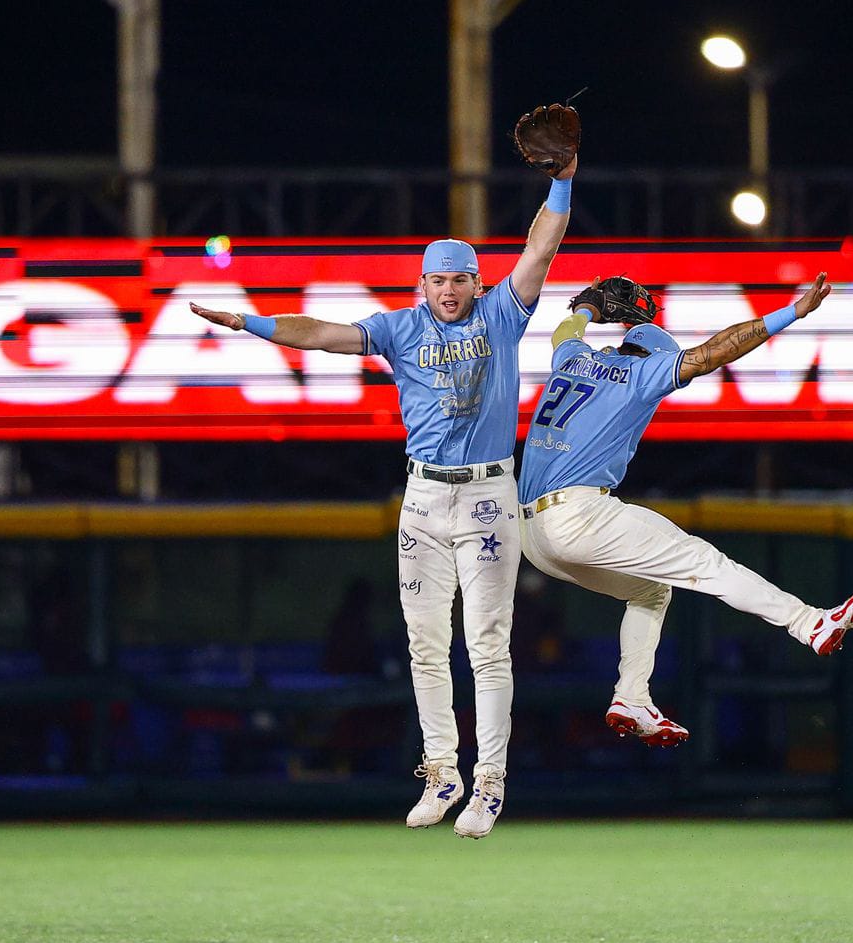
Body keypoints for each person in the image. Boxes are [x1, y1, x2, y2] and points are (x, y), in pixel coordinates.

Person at [189, 156, 578, 840]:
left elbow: (540, 247)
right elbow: (319, 334)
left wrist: (562, 179)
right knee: (425, 644)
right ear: (421, 284)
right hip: (423, 495)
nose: (449, 289)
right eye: (438, 279)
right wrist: (248, 322)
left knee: (487, 644)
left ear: (477, 282)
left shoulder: (502, 313)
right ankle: (442, 772)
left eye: (460, 278)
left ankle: (490, 783)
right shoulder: (399, 328)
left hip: (488, 493)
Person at [516, 273, 853, 746]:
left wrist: (587, 309)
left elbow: (565, 331)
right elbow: (715, 353)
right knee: (705, 563)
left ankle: (632, 697)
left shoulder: (572, 358)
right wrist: (792, 312)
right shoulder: (642, 374)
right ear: (653, 357)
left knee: (650, 592)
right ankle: (809, 623)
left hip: (531, 535)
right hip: (579, 516)